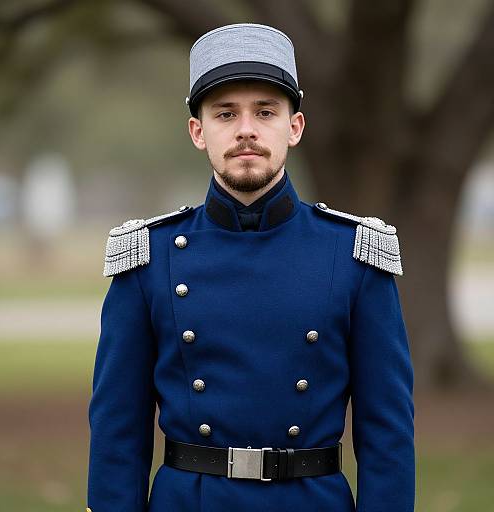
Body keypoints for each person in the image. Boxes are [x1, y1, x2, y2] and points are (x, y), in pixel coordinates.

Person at [86, 22, 414, 512]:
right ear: (198, 131)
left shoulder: (353, 255)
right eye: (225, 114)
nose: (246, 129)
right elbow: (117, 431)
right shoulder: (148, 257)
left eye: (265, 112)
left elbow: (387, 433)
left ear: (295, 127)